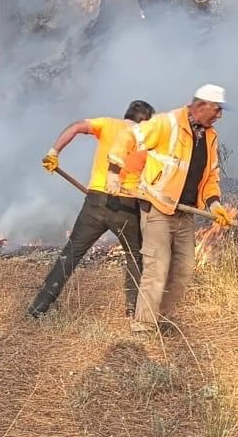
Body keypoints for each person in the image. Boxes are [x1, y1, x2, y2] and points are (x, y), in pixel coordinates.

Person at [112, 85, 236, 334]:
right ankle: (143, 325)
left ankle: (160, 318)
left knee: (183, 271)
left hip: (185, 213)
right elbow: (128, 137)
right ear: (201, 106)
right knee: (157, 268)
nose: (220, 116)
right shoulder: (166, 123)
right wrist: (115, 173)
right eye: (217, 110)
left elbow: (211, 175)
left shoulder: (210, 136)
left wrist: (215, 205)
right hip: (158, 208)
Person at [28, 100, 155, 318]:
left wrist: (54, 151)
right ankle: (133, 308)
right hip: (127, 205)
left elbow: (76, 126)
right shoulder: (146, 139)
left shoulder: (107, 124)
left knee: (71, 253)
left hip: (95, 202)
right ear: (144, 120)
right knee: (135, 256)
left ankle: (38, 307)